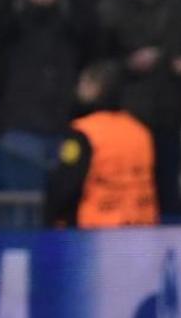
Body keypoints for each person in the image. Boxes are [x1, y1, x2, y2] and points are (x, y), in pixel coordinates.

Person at [45, 62, 158, 228]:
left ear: (95, 87)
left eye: (84, 83)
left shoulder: (83, 132)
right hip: (140, 228)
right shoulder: (141, 131)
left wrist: (53, 217)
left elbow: (67, 184)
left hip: (94, 229)